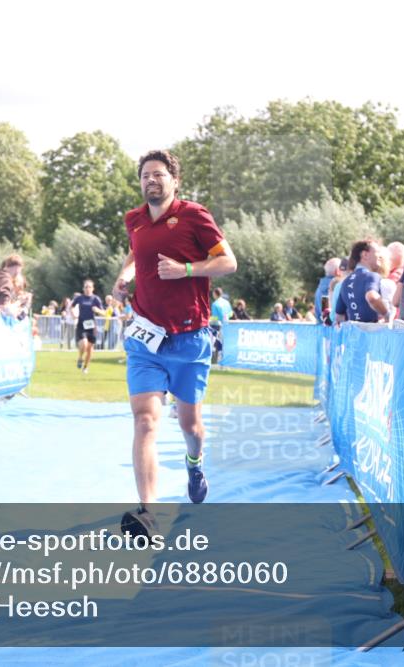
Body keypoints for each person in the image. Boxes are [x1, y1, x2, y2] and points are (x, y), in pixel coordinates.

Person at [113, 149, 236, 536]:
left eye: (158, 174)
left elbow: (228, 262)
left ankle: (194, 463)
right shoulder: (135, 219)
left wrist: (185, 269)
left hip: (189, 339)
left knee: (191, 426)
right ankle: (147, 512)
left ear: (175, 180)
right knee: (145, 420)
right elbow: (136, 253)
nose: (151, 180)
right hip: (145, 339)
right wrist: (124, 278)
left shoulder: (194, 216)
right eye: (145, 175)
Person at [335, 239, 389, 324]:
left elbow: (339, 317)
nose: (380, 256)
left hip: (354, 331)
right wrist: (387, 316)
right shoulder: (371, 276)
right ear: (365, 255)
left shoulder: (345, 281)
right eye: (377, 252)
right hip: (373, 329)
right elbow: (372, 297)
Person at [72, 279, 103, 372]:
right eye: (86, 287)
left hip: (91, 326)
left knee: (89, 349)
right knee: (84, 344)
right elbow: (72, 307)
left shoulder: (96, 299)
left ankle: (85, 367)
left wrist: (97, 310)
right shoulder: (79, 298)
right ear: (83, 288)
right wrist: (73, 314)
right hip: (81, 325)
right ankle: (80, 358)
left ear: (93, 288)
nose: (87, 288)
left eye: (89, 287)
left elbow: (103, 312)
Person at [314, 257, 342, 325]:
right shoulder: (339, 287)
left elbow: (321, 313)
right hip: (336, 328)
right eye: (343, 269)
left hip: (322, 328)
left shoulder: (319, 289)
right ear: (337, 271)